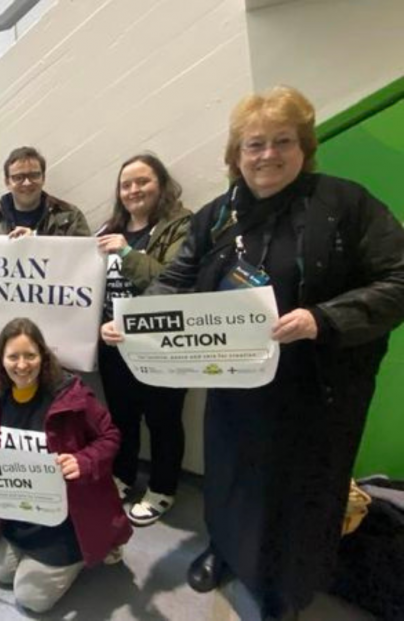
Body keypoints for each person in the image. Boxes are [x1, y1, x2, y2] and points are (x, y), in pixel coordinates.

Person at [102, 86, 404, 620]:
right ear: (236, 154)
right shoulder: (217, 216)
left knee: (301, 490)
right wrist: (133, 322)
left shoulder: (345, 204)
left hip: (316, 389)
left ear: (304, 146)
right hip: (236, 383)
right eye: (254, 144)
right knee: (230, 474)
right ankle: (224, 551)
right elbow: (177, 278)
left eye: (282, 141)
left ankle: (284, 589)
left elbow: (398, 279)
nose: (267, 155)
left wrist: (322, 319)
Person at [0, 318, 132, 613]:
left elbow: (111, 436)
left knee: (30, 598)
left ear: (43, 355)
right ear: (1, 359)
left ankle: (83, 552)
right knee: (1, 573)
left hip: (67, 517)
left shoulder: (71, 394)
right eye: (13, 356)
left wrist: (83, 461)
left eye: (30, 355)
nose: (22, 365)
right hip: (22, 512)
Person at [96, 154, 192, 525]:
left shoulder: (182, 225)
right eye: (126, 185)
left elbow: (173, 282)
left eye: (142, 182)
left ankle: (163, 488)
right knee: (122, 416)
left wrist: (125, 252)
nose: (133, 190)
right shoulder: (108, 228)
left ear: (161, 184)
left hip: (160, 345)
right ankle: (123, 475)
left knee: (163, 419)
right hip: (114, 345)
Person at [0, 146, 90, 237]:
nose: (27, 183)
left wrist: (35, 241)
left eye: (34, 175)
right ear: (7, 182)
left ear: (43, 178)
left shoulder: (70, 217)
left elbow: (83, 255)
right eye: (18, 177)